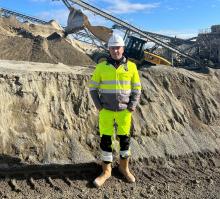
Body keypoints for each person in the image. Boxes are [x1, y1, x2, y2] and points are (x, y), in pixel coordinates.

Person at [89, 34, 141, 187]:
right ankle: (106, 171)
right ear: (109, 49)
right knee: (106, 141)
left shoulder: (131, 67)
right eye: (112, 48)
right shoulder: (101, 67)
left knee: (124, 141)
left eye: (118, 47)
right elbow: (93, 88)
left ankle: (124, 168)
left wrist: (131, 107)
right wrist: (99, 107)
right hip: (106, 111)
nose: (115, 50)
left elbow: (137, 89)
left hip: (125, 111)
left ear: (123, 49)